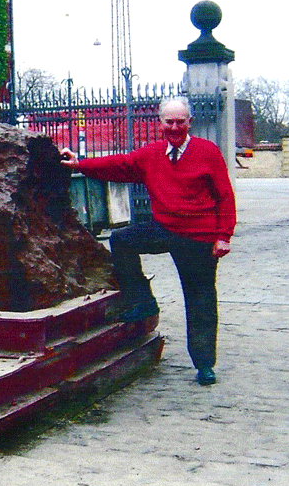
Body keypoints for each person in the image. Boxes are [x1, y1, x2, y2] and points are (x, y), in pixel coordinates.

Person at [60, 96, 236, 386]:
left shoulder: (208, 152)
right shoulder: (150, 154)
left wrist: (223, 236)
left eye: (181, 122)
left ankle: (204, 364)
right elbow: (117, 165)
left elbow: (225, 196)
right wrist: (79, 164)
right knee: (122, 240)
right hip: (164, 227)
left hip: (198, 236)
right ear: (160, 123)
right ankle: (143, 301)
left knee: (200, 299)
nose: (175, 127)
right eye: (169, 122)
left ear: (189, 122)